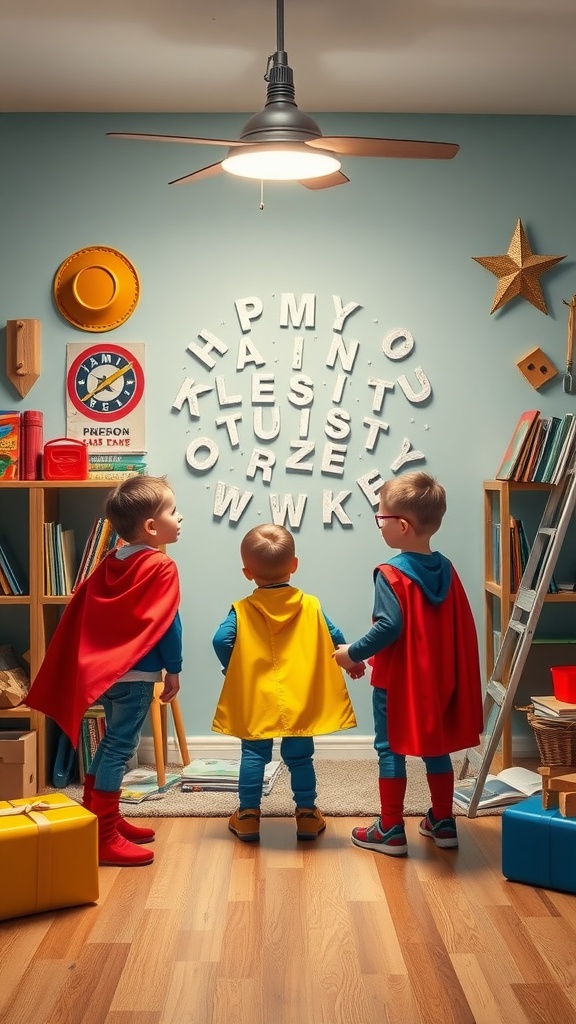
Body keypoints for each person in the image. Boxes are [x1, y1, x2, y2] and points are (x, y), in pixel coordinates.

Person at [26, 475, 183, 867]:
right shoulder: (161, 565)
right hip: (136, 676)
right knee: (119, 749)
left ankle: (101, 819)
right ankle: (105, 834)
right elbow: (167, 624)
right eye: (173, 512)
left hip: (108, 676)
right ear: (151, 527)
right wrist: (174, 670)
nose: (180, 519)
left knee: (110, 744)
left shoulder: (111, 561)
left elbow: (90, 612)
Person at [334, 471, 483, 856]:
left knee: (390, 749)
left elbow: (389, 626)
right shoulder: (446, 568)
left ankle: (390, 828)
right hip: (437, 678)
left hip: (398, 681)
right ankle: (443, 821)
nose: (379, 526)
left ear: (401, 526)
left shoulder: (392, 573)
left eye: (380, 518)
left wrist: (351, 653)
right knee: (436, 749)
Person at [212, 523, 363, 843]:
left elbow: (220, 640)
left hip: (257, 694)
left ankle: (248, 817)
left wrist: (234, 668)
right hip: (299, 693)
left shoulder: (243, 609)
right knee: (300, 755)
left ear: (247, 572)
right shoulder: (312, 605)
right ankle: (307, 815)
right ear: (294, 565)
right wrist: (352, 662)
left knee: (253, 754)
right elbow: (335, 637)